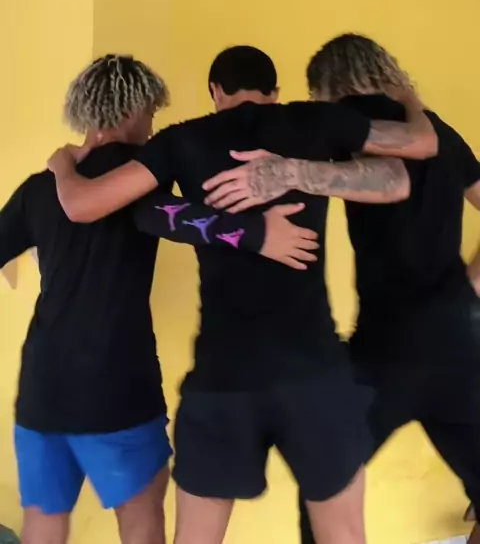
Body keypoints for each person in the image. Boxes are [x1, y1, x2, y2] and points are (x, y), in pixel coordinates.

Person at [47, 45, 437, 544]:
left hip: (223, 379)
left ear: (216, 92)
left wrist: (62, 166)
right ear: (275, 93)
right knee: (344, 536)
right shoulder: (317, 122)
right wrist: (406, 103)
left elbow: (93, 206)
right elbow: (413, 156)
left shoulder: (183, 139)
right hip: (314, 374)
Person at [0, 54, 320, 544]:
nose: (152, 127)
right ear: (132, 111)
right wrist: (257, 234)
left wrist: (59, 179)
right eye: (150, 114)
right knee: (142, 525)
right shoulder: (137, 182)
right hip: (116, 390)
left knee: (43, 526)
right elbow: (176, 216)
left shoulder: (40, 189)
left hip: (42, 388)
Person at [204, 35, 480, 544]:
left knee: (326, 490)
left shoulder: (344, 125)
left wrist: (287, 171)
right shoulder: (437, 130)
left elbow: (386, 177)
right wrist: (473, 283)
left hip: (387, 348)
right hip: (462, 338)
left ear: (325, 87)